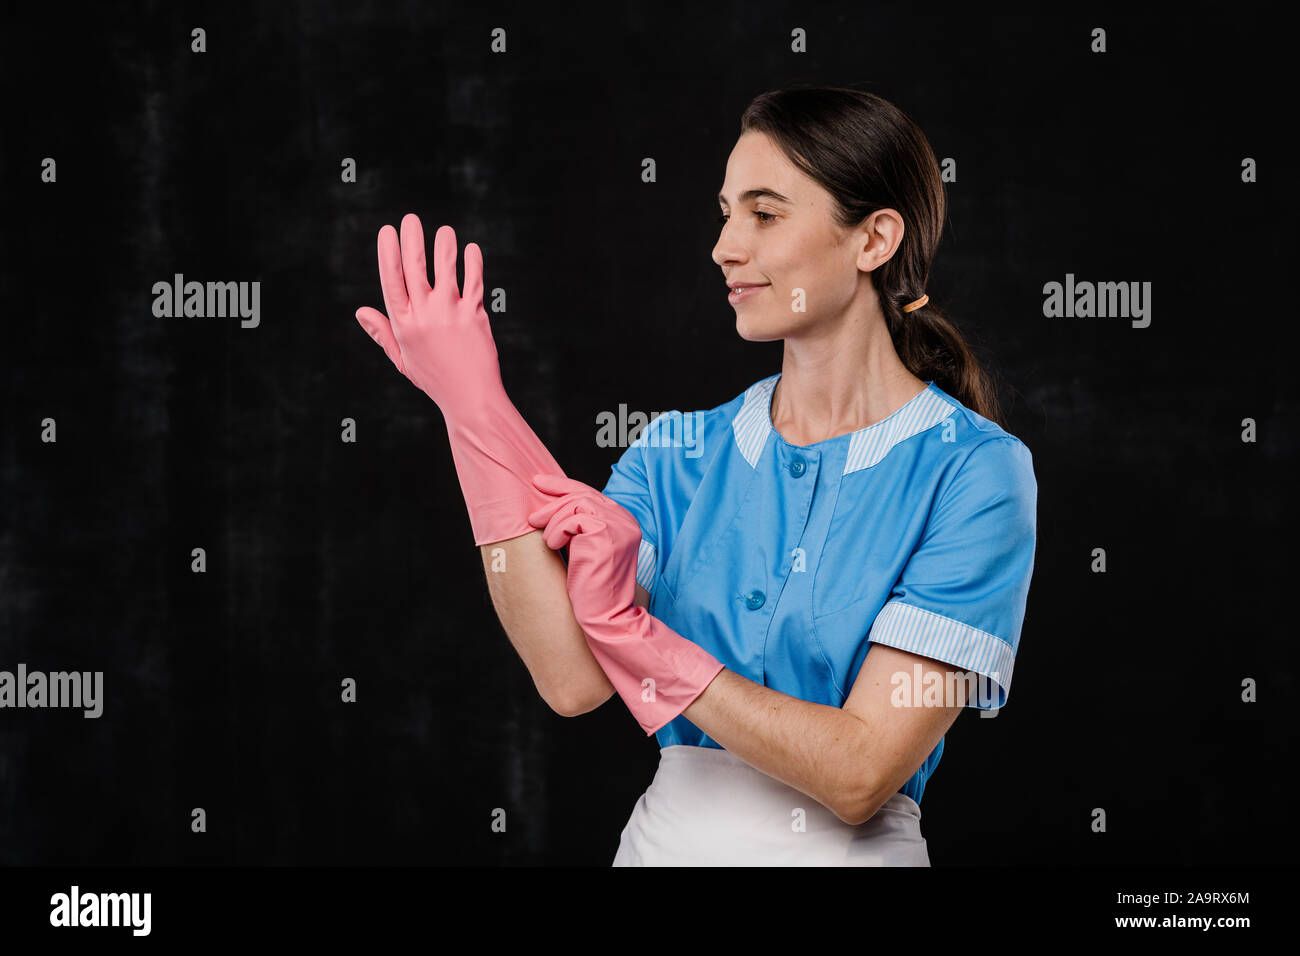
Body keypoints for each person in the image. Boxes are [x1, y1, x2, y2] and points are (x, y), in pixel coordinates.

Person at [355, 86, 1037, 866]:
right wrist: (472, 410)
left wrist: (637, 634)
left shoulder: (976, 473)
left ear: (875, 238)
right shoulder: (678, 450)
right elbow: (569, 677)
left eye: (765, 213)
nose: (724, 246)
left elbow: (858, 773)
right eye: (725, 211)